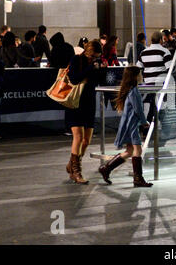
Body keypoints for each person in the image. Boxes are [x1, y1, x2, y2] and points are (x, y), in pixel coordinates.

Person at [98, 66, 153, 187]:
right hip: (132, 124)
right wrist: (144, 122)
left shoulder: (130, 90)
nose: (141, 76)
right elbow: (138, 109)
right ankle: (138, 178)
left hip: (128, 123)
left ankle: (106, 168)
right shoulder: (134, 91)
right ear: (135, 76)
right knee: (137, 150)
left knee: (130, 151)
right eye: (140, 74)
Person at [65, 40, 107, 185]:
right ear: (87, 52)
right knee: (78, 136)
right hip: (75, 103)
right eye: (93, 56)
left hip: (89, 102)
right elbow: (74, 78)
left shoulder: (96, 62)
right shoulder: (77, 60)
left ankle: (72, 163)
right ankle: (76, 172)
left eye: (97, 56)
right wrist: (90, 67)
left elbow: (99, 81)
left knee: (87, 140)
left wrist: (102, 69)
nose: (94, 59)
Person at [136, 31, 173, 125]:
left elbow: (138, 67)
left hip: (148, 85)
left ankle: (146, 127)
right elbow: (170, 68)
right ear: (161, 40)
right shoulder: (164, 51)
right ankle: (159, 128)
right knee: (160, 107)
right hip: (161, 85)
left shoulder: (144, 52)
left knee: (149, 106)